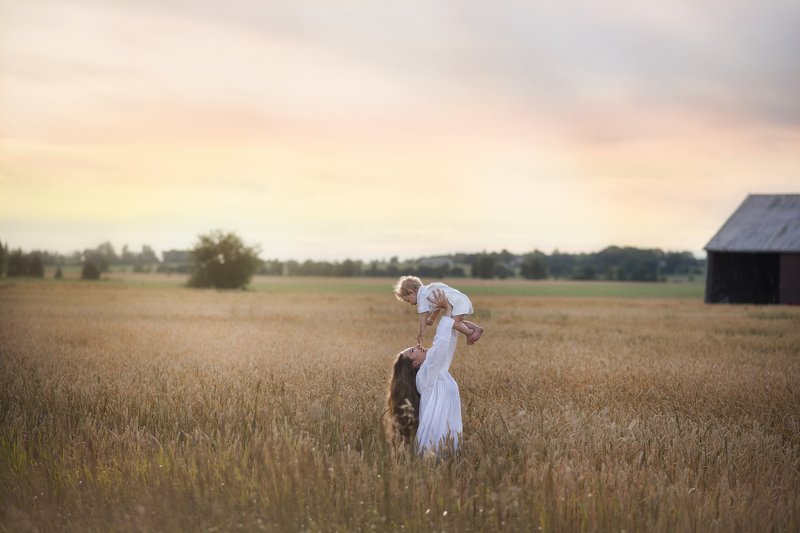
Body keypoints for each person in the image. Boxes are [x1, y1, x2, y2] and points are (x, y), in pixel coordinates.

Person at [386, 289, 462, 455]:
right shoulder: (425, 375)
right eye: (413, 350)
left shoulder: (438, 372)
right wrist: (447, 310)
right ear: (415, 363)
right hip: (433, 448)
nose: (418, 346)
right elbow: (440, 345)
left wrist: (447, 316)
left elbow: (447, 346)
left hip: (446, 444)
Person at [393, 275, 484, 345]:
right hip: (461, 300)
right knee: (458, 321)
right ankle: (476, 328)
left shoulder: (423, 297)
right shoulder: (430, 289)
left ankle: (469, 333)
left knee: (451, 322)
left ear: (411, 292)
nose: (412, 304)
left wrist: (421, 332)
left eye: (409, 300)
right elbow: (438, 307)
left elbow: (422, 316)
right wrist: (432, 319)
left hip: (458, 302)